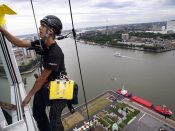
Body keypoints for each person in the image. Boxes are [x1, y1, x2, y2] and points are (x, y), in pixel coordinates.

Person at [0, 15, 67, 131]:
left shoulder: (55, 53)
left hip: (60, 86)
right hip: (47, 83)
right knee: (37, 113)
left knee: (54, 119)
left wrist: (28, 96)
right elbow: (19, 43)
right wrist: (3, 30)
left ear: (50, 31)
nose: (39, 28)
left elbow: (41, 78)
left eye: (43, 26)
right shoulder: (41, 43)